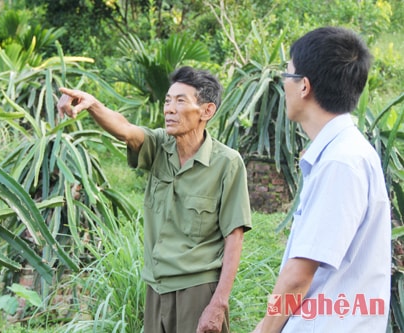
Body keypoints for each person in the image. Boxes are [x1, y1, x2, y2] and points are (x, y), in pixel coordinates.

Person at [58, 66, 252, 333]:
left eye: (180, 101)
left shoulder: (227, 163)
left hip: (197, 291)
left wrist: (218, 304)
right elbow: (126, 129)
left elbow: (235, 236)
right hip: (155, 288)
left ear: (207, 111)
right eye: (168, 101)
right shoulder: (159, 146)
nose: (169, 109)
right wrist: (92, 105)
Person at [251, 27, 391, 332]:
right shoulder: (345, 153)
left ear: (304, 86)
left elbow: (299, 275)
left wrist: (264, 329)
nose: (282, 86)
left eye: (286, 76)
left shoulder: (341, 163)